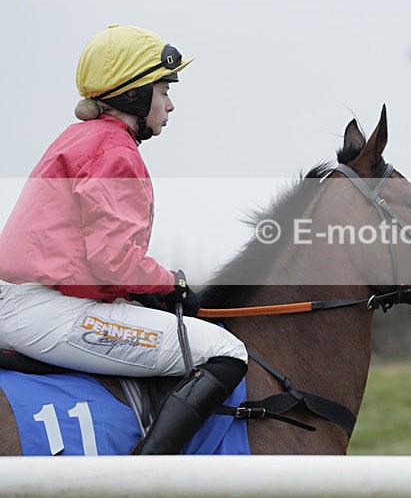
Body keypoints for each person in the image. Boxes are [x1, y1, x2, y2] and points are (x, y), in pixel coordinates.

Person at [0, 24, 248, 455]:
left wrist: (141, 292)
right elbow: (113, 260)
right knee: (225, 350)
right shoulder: (116, 150)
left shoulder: (81, 137)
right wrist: (172, 284)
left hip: (36, 298)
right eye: (164, 90)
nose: (170, 105)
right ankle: (144, 476)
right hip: (42, 308)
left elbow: (88, 261)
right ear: (135, 95)